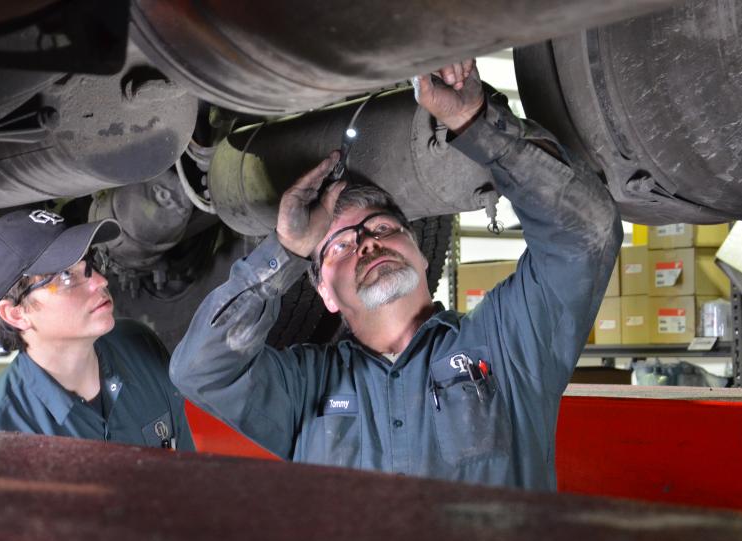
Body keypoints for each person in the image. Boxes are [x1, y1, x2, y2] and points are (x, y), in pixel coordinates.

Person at [169, 59, 620, 489]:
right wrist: (285, 251)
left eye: (383, 227)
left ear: (421, 256)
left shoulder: (505, 346)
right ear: (324, 292)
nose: (368, 242)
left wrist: (477, 124)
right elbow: (200, 370)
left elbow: (584, 235)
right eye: (341, 246)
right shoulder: (305, 388)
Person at [0, 208, 194, 451]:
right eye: (65, 276)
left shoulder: (139, 345)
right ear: (16, 313)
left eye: (91, 263)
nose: (100, 281)